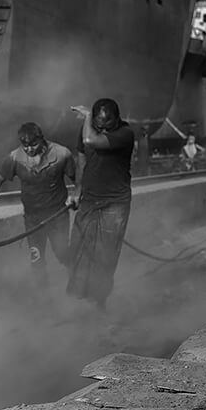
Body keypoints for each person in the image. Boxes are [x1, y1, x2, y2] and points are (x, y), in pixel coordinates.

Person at [0, 123, 76, 283]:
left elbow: (79, 181)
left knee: (62, 253)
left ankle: (78, 281)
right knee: (36, 259)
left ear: (42, 139)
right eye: (25, 145)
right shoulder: (15, 158)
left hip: (57, 215)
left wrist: (76, 196)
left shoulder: (62, 154)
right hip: (32, 218)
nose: (29, 149)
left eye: (33, 144)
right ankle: (43, 297)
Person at [67, 99, 135, 311]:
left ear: (118, 120)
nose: (104, 128)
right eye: (99, 124)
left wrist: (87, 117)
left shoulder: (125, 133)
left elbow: (90, 140)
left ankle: (99, 300)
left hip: (115, 203)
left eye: (108, 125)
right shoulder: (89, 128)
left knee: (105, 254)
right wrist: (77, 191)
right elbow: (81, 158)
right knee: (78, 248)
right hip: (89, 199)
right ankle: (77, 297)